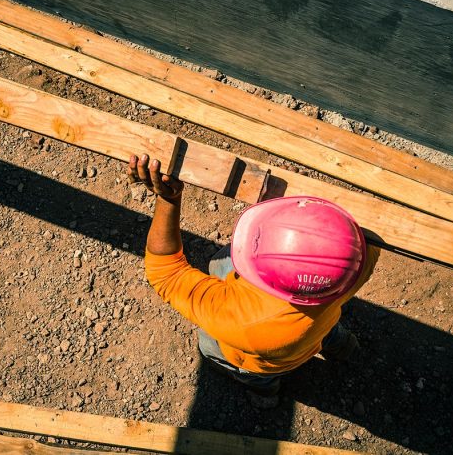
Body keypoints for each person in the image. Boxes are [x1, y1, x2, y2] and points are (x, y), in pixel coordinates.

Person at [128, 153, 379, 396]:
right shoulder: (360, 256)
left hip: (265, 361)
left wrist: (169, 199)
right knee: (327, 330)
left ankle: (265, 391)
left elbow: (166, 273)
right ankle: (344, 346)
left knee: (214, 350)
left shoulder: (246, 322)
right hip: (320, 324)